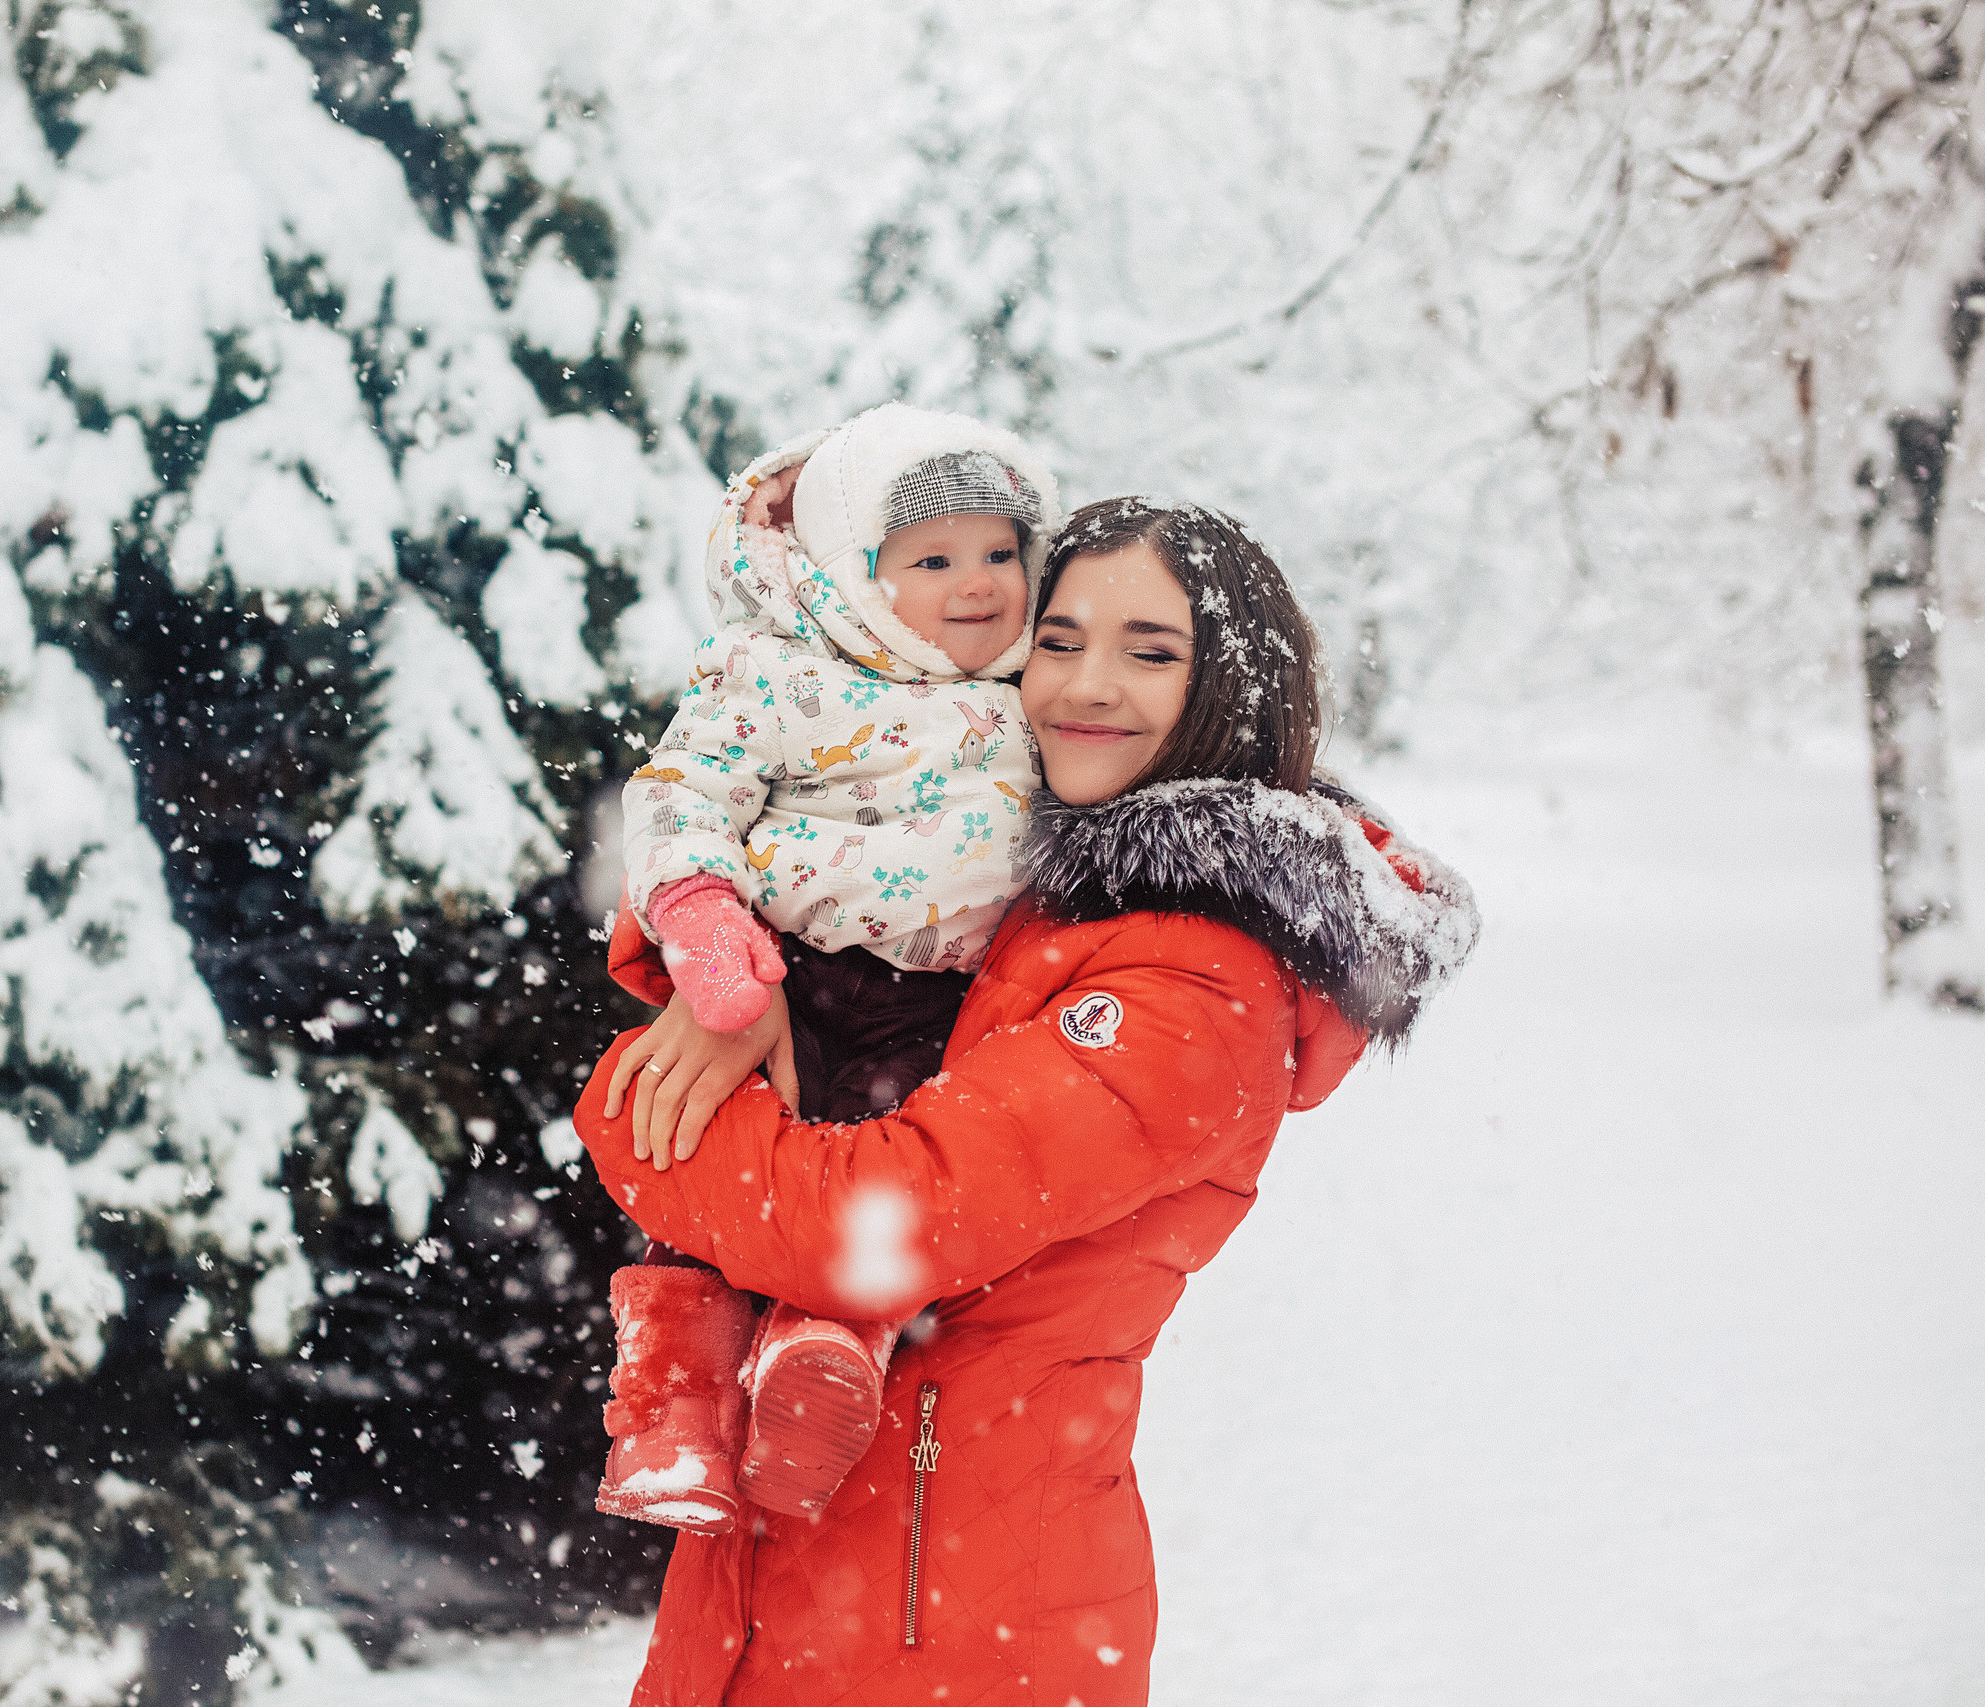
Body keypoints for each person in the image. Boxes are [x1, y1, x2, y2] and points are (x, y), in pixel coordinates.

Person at [574, 496, 1481, 1704]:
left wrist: (634, 1106)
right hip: (789, 1583)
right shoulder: (1022, 883)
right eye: (1057, 640)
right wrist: (723, 986)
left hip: (953, 1624)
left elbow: (858, 1236)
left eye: (1149, 651)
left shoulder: (1194, 979)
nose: (1083, 686)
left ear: (1232, 688)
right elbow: (816, 925)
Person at [597, 405, 1060, 1534]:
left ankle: (822, 1358)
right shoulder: (778, 674)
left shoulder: (1039, 691)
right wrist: (701, 916)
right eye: (933, 560)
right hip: (784, 973)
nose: (979, 585)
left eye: (1001, 552)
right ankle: (672, 1413)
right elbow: (681, 793)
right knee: (712, 1160)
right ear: (854, 577)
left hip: (939, 1001)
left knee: (875, 1172)